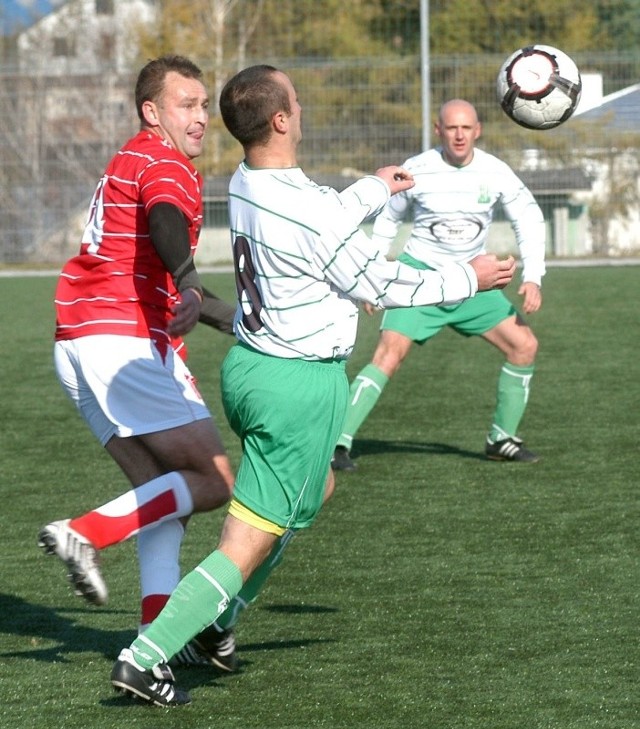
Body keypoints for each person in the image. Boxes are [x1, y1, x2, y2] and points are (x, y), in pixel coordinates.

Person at [108, 64, 515, 707]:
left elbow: (323, 213)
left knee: (314, 484)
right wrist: (470, 276)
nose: (302, 107)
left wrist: (374, 189)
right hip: (297, 385)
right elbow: (380, 287)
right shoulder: (303, 210)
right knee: (249, 539)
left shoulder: (247, 179)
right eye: (295, 100)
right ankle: (150, 655)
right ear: (281, 119)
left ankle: (214, 625)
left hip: (251, 367)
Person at [38, 56, 240, 664]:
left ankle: (160, 631)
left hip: (76, 341)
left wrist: (246, 322)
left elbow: (171, 276)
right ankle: (87, 534)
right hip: (120, 341)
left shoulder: (130, 156)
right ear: (152, 113)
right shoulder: (162, 160)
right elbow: (164, 219)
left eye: (205, 105)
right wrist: (189, 276)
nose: (202, 117)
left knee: (162, 490)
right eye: (187, 104)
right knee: (213, 481)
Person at [332, 99, 546, 472]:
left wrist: (533, 277)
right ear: (438, 130)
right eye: (451, 128)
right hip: (421, 280)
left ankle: (501, 439)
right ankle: (337, 444)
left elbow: (527, 218)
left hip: (475, 282)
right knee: (388, 356)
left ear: (478, 130)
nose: (459, 135)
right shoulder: (418, 169)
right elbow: (388, 218)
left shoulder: (495, 171)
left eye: (466, 128)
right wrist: (376, 273)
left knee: (524, 345)